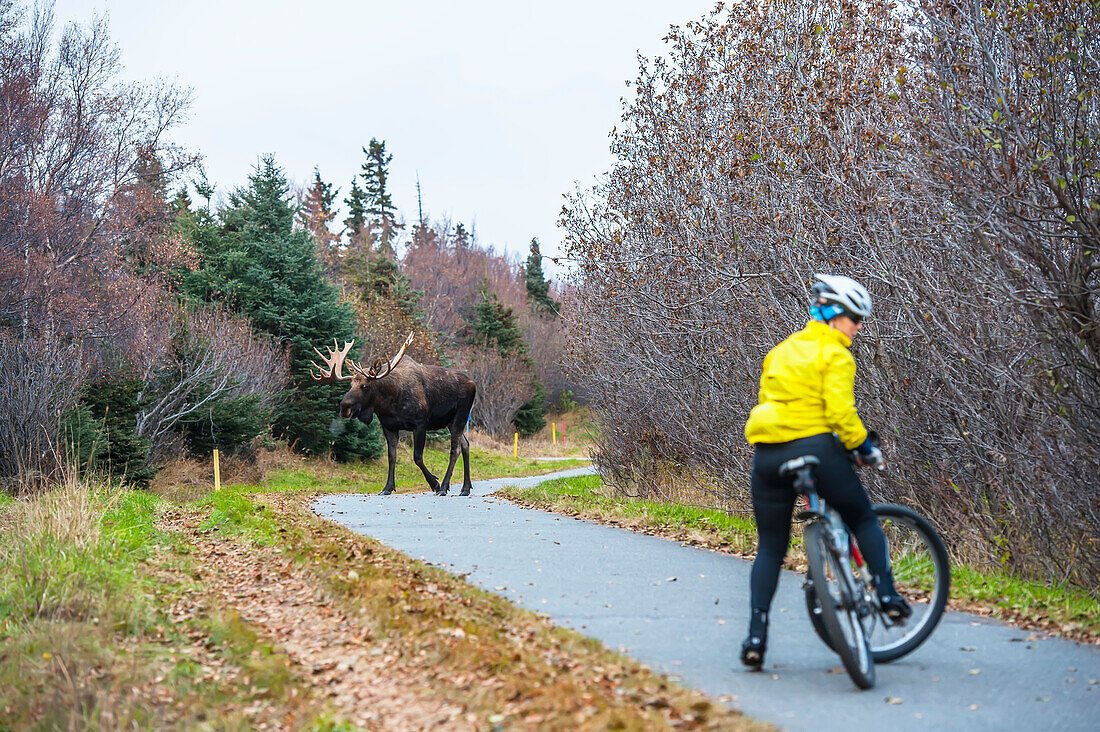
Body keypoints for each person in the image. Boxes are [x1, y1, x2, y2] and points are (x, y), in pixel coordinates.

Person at [739, 273, 911, 669]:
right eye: (855, 318)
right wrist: (864, 448)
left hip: (767, 455)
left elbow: (770, 401)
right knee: (862, 517)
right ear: (835, 316)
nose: (859, 326)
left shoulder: (780, 351)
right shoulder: (836, 354)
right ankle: (886, 593)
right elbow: (840, 413)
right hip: (815, 446)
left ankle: (755, 635)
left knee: (770, 547)